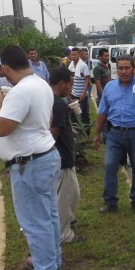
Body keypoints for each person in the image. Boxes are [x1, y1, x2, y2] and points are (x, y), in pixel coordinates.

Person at [0, 45, 61, 270]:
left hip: (29, 165)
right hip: (45, 156)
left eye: (2, 69)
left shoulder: (20, 92)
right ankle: (51, 261)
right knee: (49, 216)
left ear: (7, 68)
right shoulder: (40, 83)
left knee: (35, 221)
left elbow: (0, 127)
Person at [93, 55, 135, 216]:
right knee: (110, 166)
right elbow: (103, 112)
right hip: (115, 133)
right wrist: (97, 133)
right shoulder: (110, 86)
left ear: (133, 69)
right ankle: (111, 201)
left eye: (127, 68)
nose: (123, 72)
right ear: (116, 70)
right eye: (120, 68)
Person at [49, 67, 85, 244]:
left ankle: (69, 218)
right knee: (65, 197)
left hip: (64, 156)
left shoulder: (53, 101)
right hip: (62, 156)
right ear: (62, 83)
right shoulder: (58, 104)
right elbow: (53, 133)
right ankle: (64, 233)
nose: (71, 88)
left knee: (74, 192)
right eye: (70, 84)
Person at [68, 47, 91, 128]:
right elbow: (70, 79)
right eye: (72, 55)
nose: (73, 56)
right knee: (73, 113)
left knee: (84, 114)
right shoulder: (70, 65)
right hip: (73, 94)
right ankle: (77, 130)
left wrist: (84, 93)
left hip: (82, 95)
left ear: (79, 55)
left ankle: (86, 130)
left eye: (75, 54)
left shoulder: (83, 66)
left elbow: (87, 80)